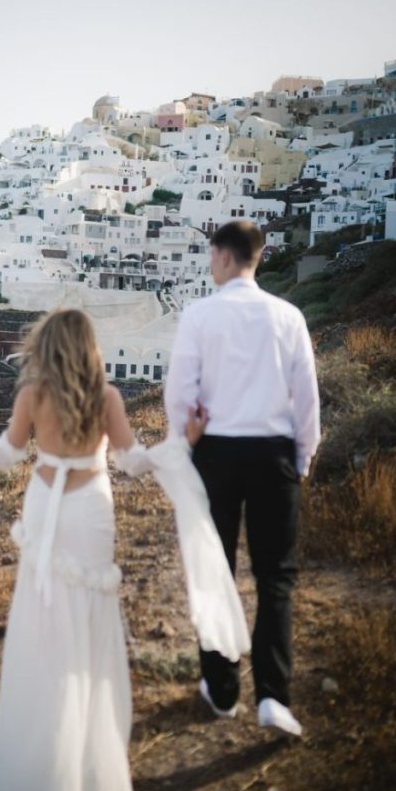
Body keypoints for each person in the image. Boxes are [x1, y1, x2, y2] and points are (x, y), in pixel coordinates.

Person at [0, 307, 249, 791]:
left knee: (42, 620)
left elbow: (3, 457)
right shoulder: (107, 397)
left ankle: (41, 760)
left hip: (47, 505)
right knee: (88, 622)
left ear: (46, 346)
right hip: (91, 508)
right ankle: (88, 768)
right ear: (90, 348)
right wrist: (184, 442)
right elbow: (132, 463)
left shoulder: (33, 396)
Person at [164, 220, 321, 737]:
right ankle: (274, 697)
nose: (211, 263)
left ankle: (222, 688)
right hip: (274, 452)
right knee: (276, 577)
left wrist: (183, 445)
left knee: (217, 569)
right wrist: (302, 456)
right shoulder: (288, 316)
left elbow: (180, 392)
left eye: (213, 255)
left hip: (217, 455)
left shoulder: (199, 316)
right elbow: (307, 395)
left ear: (226, 257)